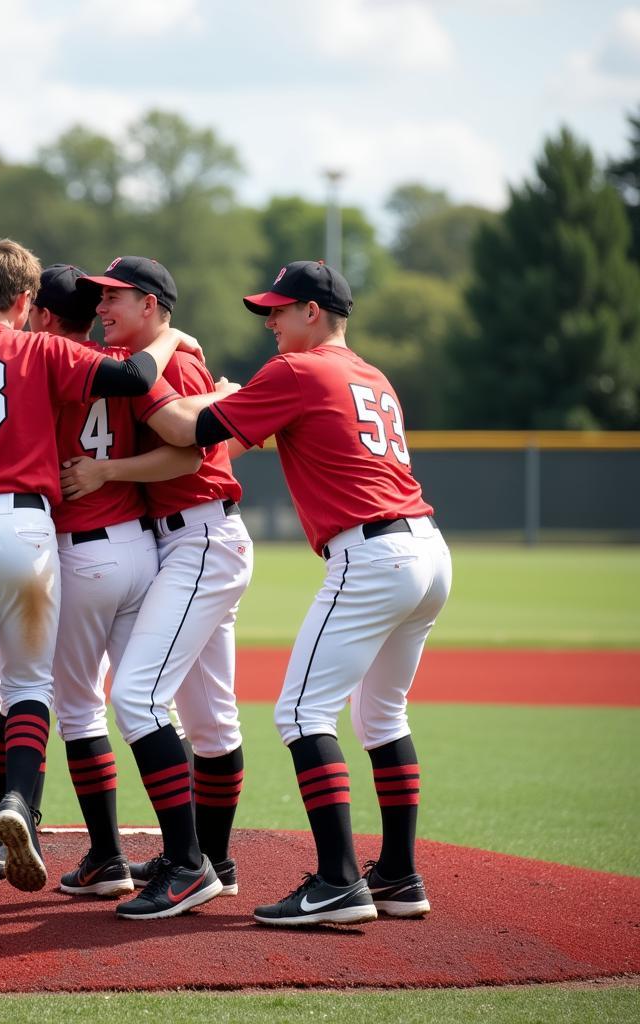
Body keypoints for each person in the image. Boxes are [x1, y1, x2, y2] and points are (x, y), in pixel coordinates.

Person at [0, 239, 202, 922]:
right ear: (26, 302)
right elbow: (134, 375)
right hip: (30, 527)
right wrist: (170, 333)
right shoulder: (42, 350)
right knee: (30, 687)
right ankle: (19, 800)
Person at [145, 259, 452, 926]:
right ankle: (398, 873)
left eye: (279, 310)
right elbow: (246, 438)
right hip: (427, 550)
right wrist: (229, 400)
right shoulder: (371, 375)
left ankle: (340, 881)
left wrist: (175, 391)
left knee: (301, 715)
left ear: (314, 312)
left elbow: (185, 432)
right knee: (383, 717)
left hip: (370, 555)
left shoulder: (298, 370)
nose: (270, 322)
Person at [63, 256, 253, 921]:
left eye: (115, 298)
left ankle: (187, 864)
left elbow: (186, 450)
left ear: (151, 304)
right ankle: (214, 862)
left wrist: (106, 472)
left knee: (138, 698)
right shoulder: (142, 359)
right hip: (190, 537)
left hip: (198, 538)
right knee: (210, 719)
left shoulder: (168, 363)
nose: (102, 308)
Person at [27, 264, 201, 898]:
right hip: (141, 548)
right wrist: (176, 341)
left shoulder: (39, 364)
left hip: (80, 554)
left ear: (45, 317)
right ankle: (189, 852)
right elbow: (185, 441)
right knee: (151, 704)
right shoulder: (126, 362)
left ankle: (106, 855)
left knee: (79, 709)